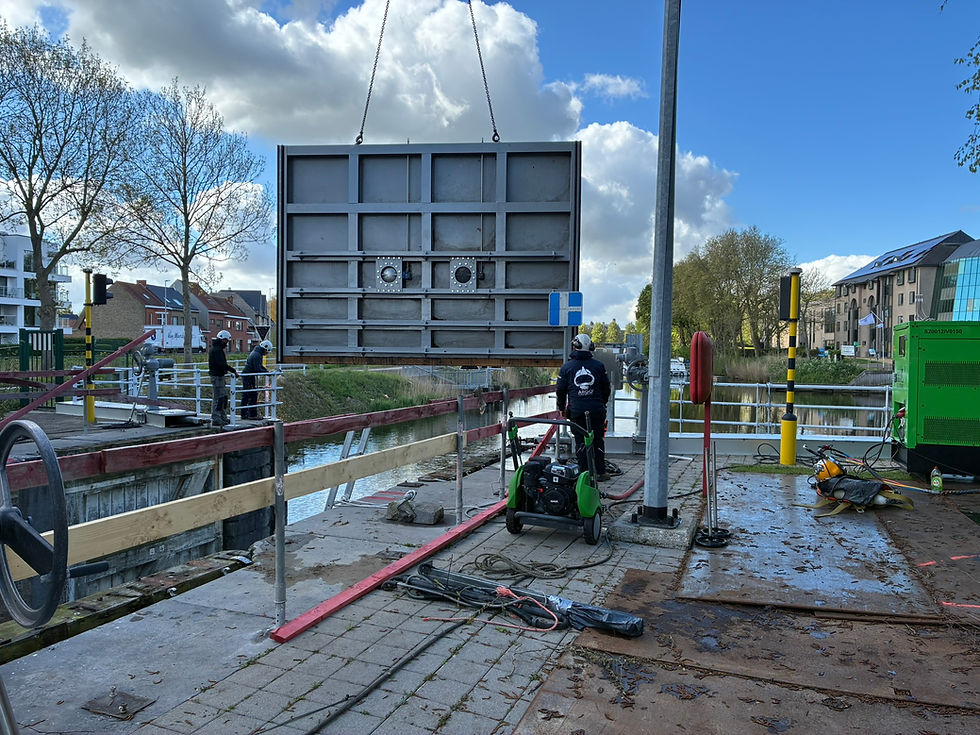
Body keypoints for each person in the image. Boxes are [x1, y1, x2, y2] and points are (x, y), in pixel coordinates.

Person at [556, 333, 611, 481]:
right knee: (598, 439)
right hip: (597, 410)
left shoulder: (566, 367)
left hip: (577, 411)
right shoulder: (599, 366)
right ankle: (600, 472)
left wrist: (561, 407)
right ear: (590, 348)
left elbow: (560, 390)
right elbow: (606, 388)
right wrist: (602, 403)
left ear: (575, 347)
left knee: (580, 440)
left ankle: (584, 474)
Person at [208, 330, 239, 427]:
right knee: (219, 398)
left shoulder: (216, 349)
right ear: (223, 339)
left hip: (218, 376)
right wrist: (233, 370)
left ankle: (222, 417)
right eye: (226, 340)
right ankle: (217, 418)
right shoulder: (217, 350)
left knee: (222, 397)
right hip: (217, 377)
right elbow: (221, 364)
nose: (227, 343)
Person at [241, 340, 273, 420]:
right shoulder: (257, 355)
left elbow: (259, 366)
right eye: (267, 351)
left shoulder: (256, 353)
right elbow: (257, 368)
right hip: (249, 376)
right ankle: (252, 414)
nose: (267, 353)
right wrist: (267, 373)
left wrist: (266, 371)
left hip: (247, 375)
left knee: (246, 395)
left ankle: (244, 414)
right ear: (265, 349)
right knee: (252, 395)